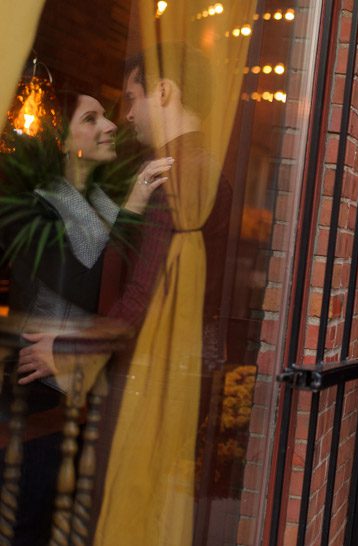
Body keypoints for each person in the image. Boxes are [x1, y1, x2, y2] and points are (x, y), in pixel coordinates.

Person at [0, 90, 170, 545]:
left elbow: (125, 273)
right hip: (38, 400)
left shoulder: (98, 199)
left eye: (107, 117)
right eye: (91, 119)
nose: (111, 126)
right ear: (63, 140)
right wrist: (134, 207)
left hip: (81, 394)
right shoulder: (30, 204)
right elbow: (83, 282)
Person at [91, 43, 231, 546]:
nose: (126, 114)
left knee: (127, 504)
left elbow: (141, 293)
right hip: (183, 366)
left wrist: (72, 351)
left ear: (165, 91)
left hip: (146, 372)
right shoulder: (210, 167)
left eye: (132, 98)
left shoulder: (171, 174)